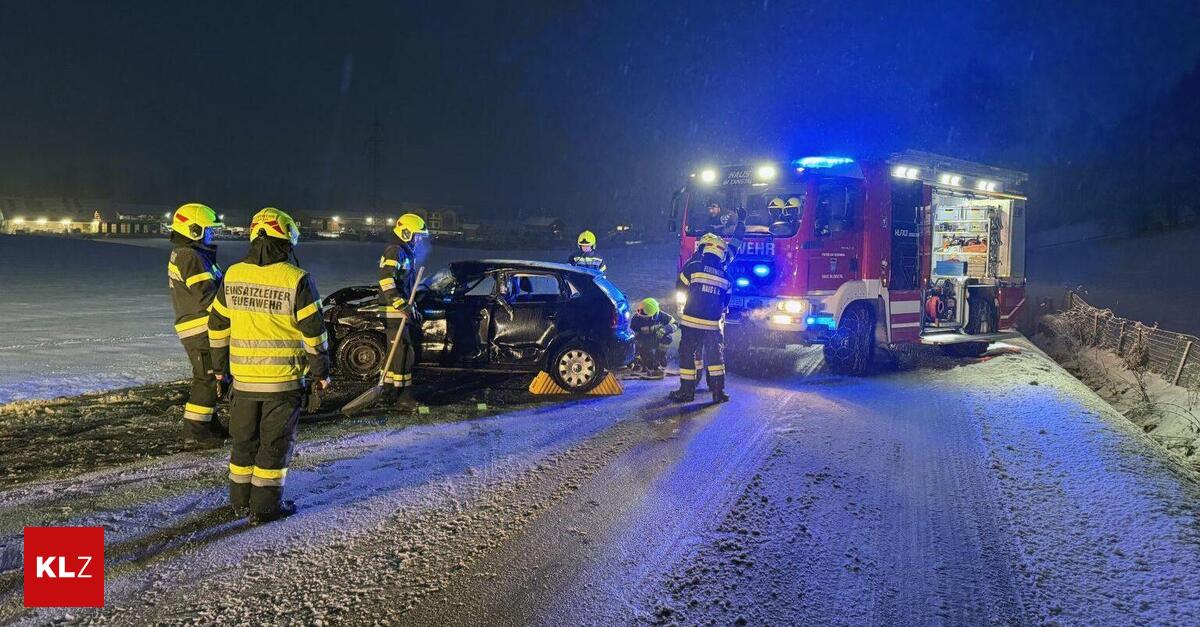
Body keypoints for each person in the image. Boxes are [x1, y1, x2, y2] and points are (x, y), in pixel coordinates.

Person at [208, 208, 331, 524]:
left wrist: (220, 370)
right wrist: (320, 373)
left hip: (243, 384)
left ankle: (239, 503)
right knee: (272, 447)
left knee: (243, 444)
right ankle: (264, 508)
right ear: (287, 241)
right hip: (282, 384)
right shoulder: (297, 280)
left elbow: (218, 327)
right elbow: (314, 334)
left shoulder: (232, 275)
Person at [167, 202, 228, 448]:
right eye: (208, 230)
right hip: (201, 328)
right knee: (207, 378)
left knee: (210, 377)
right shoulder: (190, 256)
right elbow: (206, 295)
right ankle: (196, 433)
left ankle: (208, 425)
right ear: (193, 230)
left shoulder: (190, 254)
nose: (212, 234)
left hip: (200, 327)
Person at [670, 215, 745, 404]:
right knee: (715, 358)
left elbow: (681, 287)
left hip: (690, 322)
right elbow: (726, 302)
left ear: (703, 248)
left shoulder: (693, 266)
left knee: (688, 355)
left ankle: (687, 392)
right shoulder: (726, 276)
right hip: (712, 325)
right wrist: (741, 225)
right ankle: (718, 392)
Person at [378, 213, 428, 408]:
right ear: (406, 232)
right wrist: (401, 305)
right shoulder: (395, 251)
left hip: (399, 310)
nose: (419, 240)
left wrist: (411, 305)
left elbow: (406, 285)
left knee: (399, 350)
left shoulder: (405, 252)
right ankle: (403, 396)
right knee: (403, 351)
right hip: (394, 311)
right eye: (417, 236)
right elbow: (386, 281)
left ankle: (390, 390)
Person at [631, 297, 676, 379]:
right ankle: (646, 362)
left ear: (653, 315)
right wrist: (637, 356)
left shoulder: (662, 316)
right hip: (644, 343)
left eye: (645, 316)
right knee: (650, 365)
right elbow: (634, 338)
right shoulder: (636, 319)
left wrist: (665, 329)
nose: (640, 316)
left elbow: (675, 324)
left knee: (668, 337)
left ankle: (660, 357)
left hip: (657, 340)